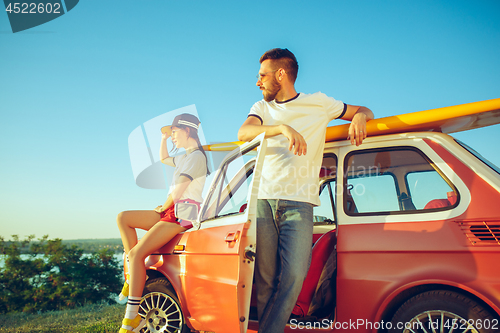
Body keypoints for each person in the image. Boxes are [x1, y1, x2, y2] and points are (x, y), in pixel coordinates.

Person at [238, 48, 374, 333]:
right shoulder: (262, 109)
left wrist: (361, 116)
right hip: (263, 199)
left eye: (262, 75)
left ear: (281, 74)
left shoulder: (319, 103)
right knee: (264, 279)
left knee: (294, 275)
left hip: (300, 203)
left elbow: (362, 110)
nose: (257, 82)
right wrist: (282, 128)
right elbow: (243, 133)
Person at [116, 113, 209, 333]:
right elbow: (165, 158)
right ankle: (134, 276)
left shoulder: (197, 157)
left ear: (187, 131)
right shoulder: (185, 156)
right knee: (124, 218)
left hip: (181, 213)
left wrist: (163, 205)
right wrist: (163, 139)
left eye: (174, 132)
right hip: (168, 210)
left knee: (138, 254)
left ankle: (131, 318)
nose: (173, 136)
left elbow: (178, 193)